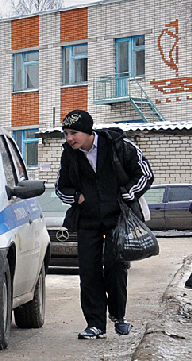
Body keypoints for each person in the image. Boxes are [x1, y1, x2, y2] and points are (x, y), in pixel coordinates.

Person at [54, 109, 154, 339]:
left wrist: (128, 195)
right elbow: (61, 187)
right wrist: (77, 196)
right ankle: (95, 324)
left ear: (88, 131)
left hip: (117, 218)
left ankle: (119, 316)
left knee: (115, 266)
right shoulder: (69, 154)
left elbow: (145, 174)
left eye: (74, 133)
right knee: (88, 271)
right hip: (88, 220)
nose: (69, 138)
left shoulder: (119, 145)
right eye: (66, 133)